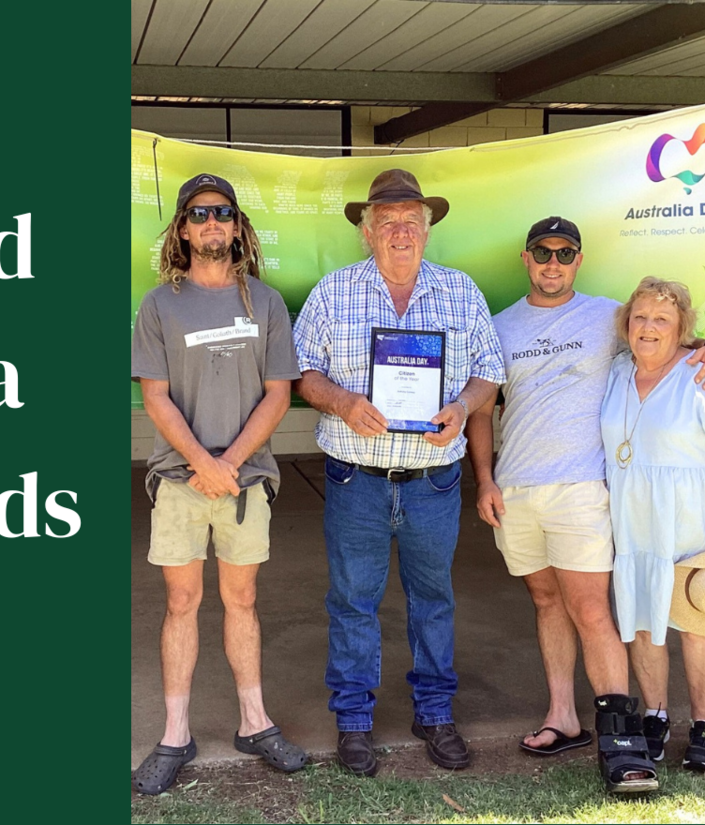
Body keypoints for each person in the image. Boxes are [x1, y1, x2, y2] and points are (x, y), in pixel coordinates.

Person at [466, 219, 705, 793]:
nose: (552, 262)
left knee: (590, 609)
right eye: (542, 252)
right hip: (515, 490)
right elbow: (482, 409)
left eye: (564, 253)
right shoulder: (499, 325)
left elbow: (671, 339)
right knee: (545, 601)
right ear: (526, 258)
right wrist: (484, 479)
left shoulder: (609, 316)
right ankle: (563, 717)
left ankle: (624, 743)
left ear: (579, 260)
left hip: (583, 488)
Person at [292, 168, 505, 776]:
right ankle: (354, 721)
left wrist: (464, 407)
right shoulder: (334, 293)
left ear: (428, 231)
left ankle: (435, 712)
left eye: (412, 221)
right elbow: (302, 373)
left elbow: (489, 370)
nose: (401, 232)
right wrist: (342, 402)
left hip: (433, 479)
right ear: (367, 233)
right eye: (388, 222)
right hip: (355, 477)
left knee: (432, 599)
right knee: (353, 601)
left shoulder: (460, 292)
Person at [131, 173, 307, 795]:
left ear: (237, 227)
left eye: (223, 213)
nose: (212, 223)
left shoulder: (266, 302)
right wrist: (202, 465)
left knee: (242, 602)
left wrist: (227, 463)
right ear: (182, 228)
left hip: (245, 482)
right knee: (181, 603)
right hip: (180, 481)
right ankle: (175, 732)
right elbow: (155, 397)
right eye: (199, 214)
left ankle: (254, 723)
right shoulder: (158, 305)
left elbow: (279, 393)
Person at [600, 277, 705, 773]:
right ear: (627, 324)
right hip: (635, 520)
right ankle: (655, 716)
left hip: (694, 519)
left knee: (698, 625)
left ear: (682, 330)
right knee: (645, 623)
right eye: (641, 317)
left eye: (662, 319)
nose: (648, 328)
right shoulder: (616, 371)